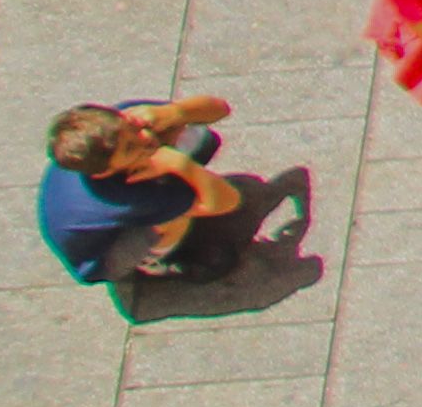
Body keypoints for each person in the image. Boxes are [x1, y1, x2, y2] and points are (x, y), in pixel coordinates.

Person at [37, 92, 277, 290]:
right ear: (104, 173)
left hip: (91, 219)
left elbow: (220, 109)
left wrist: (175, 112)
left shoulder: (123, 125)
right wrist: (180, 165)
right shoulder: (125, 199)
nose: (145, 137)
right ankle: (160, 261)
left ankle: (176, 187)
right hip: (102, 258)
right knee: (174, 218)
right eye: (131, 148)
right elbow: (228, 201)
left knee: (188, 134)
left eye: (132, 126)